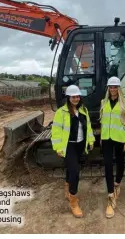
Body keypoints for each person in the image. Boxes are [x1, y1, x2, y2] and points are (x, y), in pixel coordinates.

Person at [50, 84, 95, 218]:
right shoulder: (61, 112)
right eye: (73, 96)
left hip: (80, 144)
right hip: (68, 145)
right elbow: (56, 131)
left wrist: (91, 140)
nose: (76, 98)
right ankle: (73, 200)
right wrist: (58, 147)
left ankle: (67, 187)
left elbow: (88, 127)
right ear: (68, 98)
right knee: (75, 171)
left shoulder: (84, 110)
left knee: (71, 168)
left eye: (77, 96)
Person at [99, 76, 125, 219]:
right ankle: (111, 195)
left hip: (119, 138)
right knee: (107, 165)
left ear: (118, 88)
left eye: (115, 87)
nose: (112, 89)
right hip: (106, 138)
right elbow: (103, 121)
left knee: (120, 162)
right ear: (108, 88)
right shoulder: (103, 102)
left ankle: (118, 182)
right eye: (110, 87)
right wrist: (100, 136)